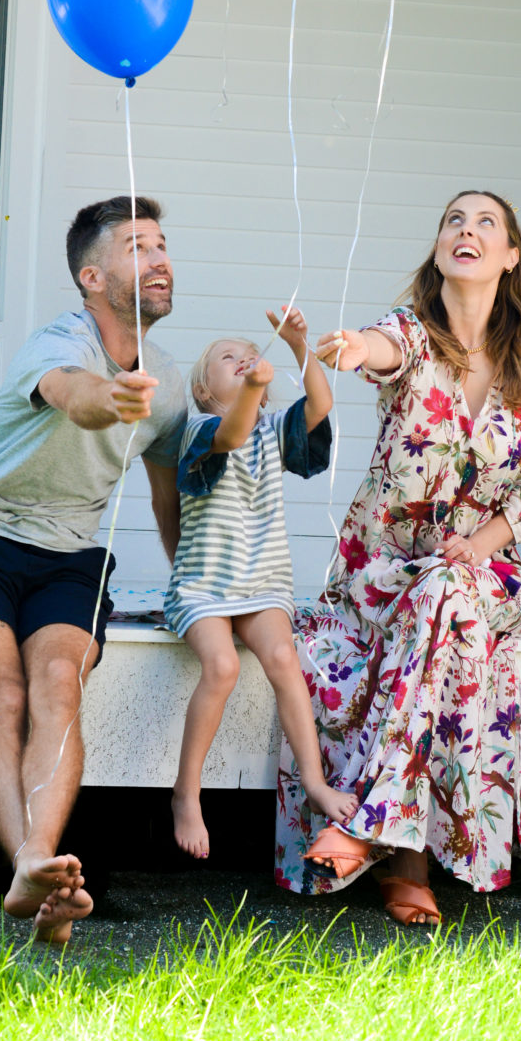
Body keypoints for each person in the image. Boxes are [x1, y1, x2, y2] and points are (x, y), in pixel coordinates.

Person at [274, 190, 521, 925]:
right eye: (453, 222)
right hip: (382, 571)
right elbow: (378, 348)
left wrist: (480, 543)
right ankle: (404, 863)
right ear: (440, 251)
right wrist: (346, 349)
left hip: (486, 569)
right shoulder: (410, 332)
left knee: (448, 592)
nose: (466, 231)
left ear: (510, 256)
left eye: (485, 223)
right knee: (438, 600)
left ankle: (367, 829)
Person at [0, 196, 186, 942]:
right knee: (1, 694)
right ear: (92, 277)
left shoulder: (169, 382)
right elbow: (76, 397)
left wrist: (186, 587)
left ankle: (34, 876)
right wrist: (110, 395)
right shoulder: (56, 343)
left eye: (162, 245)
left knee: (58, 685)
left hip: (69, 557)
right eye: (138, 247)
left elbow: (167, 497)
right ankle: (33, 861)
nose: (159, 258)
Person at [166, 307, 356, 860]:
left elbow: (320, 406)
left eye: (249, 353)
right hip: (203, 585)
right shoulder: (199, 431)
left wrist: (301, 347)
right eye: (229, 357)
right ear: (205, 387)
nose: (244, 357)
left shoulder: (273, 430)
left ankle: (316, 782)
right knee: (222, 667)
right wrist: (252, 386)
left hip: (262, 581)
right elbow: (229, 434)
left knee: (284, 661)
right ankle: (187, 792)